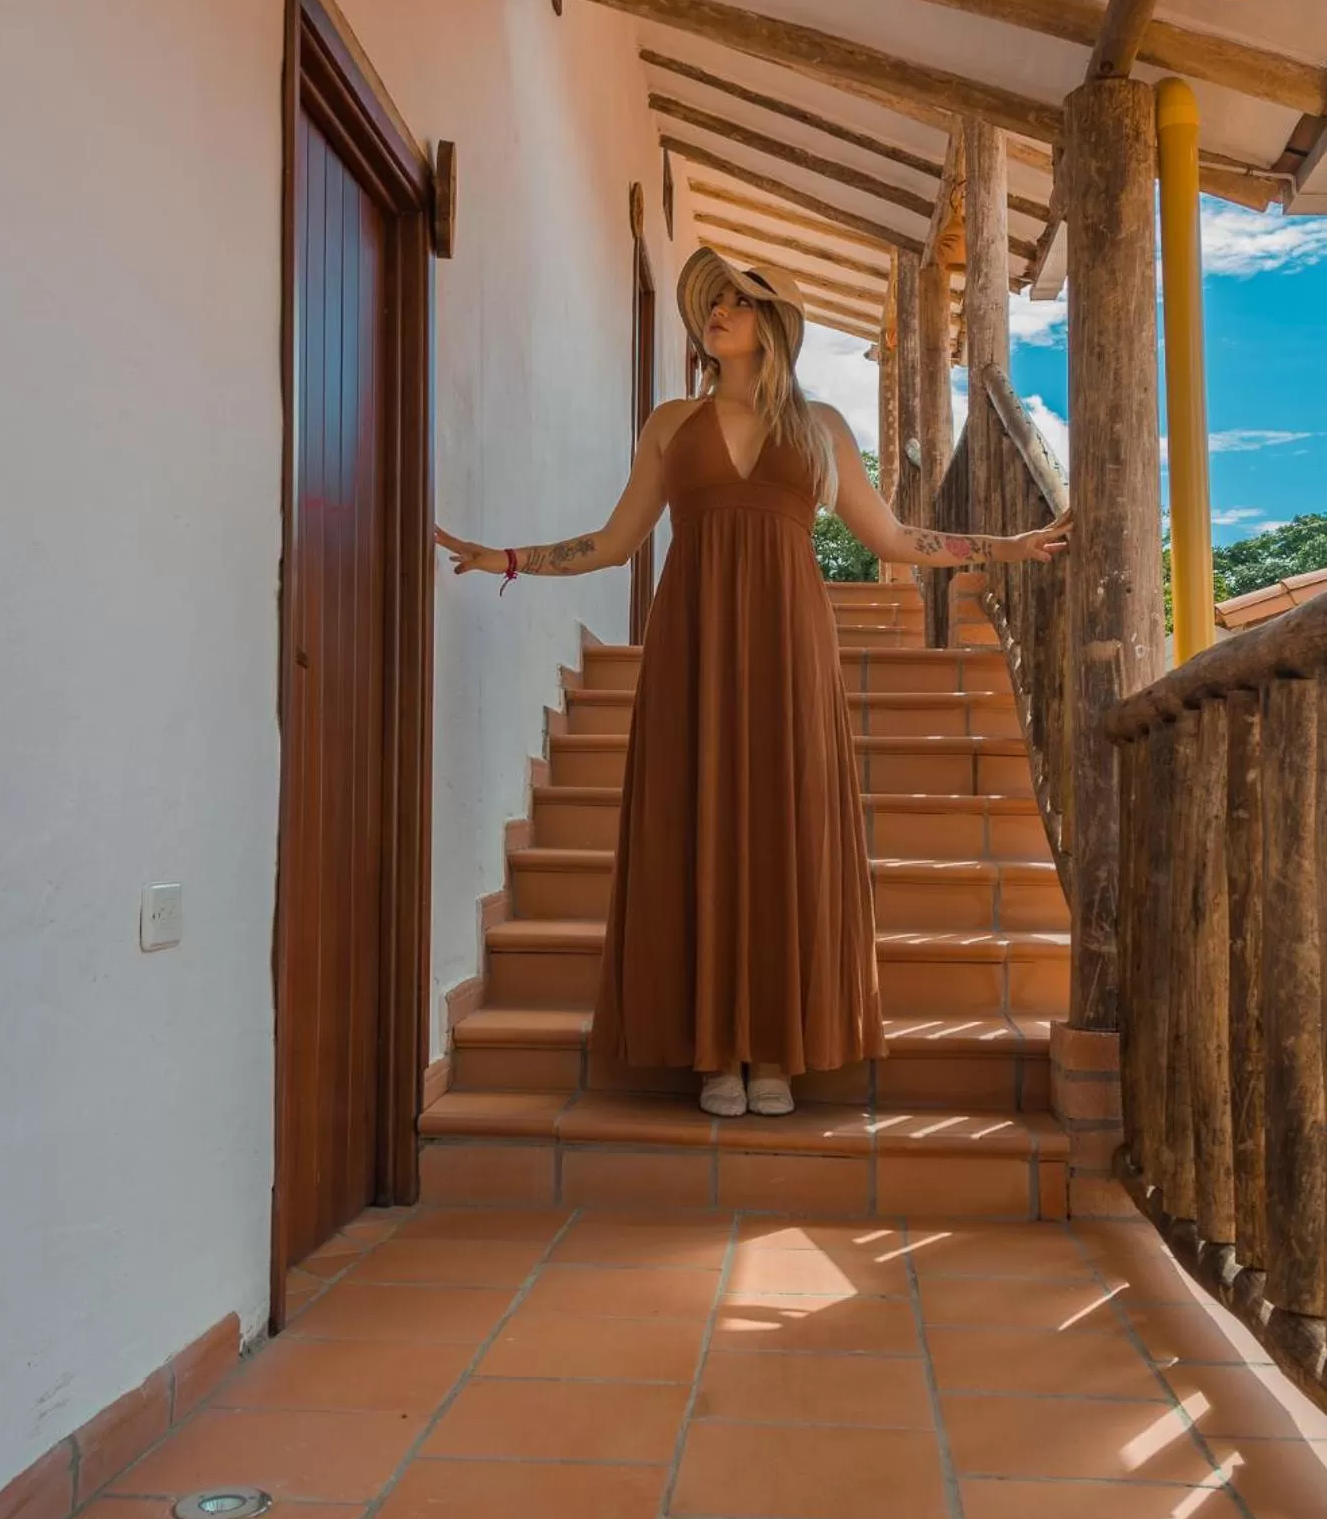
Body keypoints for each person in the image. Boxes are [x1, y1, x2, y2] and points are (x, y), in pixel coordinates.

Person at [437, 247, 1070, 1119]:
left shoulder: (821, 430)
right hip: (690, 640)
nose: (719, 314)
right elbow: (614, 543)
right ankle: (712, 1053)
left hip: (786, 640)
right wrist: (507, 558)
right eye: (715, 304)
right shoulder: (668, 424)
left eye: (738, 303)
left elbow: (893, 540)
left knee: (785, 822)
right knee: (694, 815)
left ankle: (774, 1046)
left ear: (771, 325)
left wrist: (1005, 550)